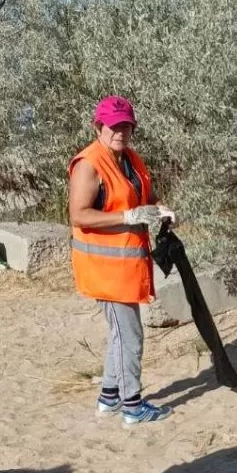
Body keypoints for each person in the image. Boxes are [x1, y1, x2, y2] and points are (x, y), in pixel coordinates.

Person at [68, 95, 175, 426]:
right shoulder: (89, 164)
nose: (121, 131)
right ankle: (132, 406)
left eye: (126, 125)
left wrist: (159, 209)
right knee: (130, 337)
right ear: (98, 126)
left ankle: (109, 398)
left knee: (120, 335)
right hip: (106, 271)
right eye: (114, 126)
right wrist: (129, 216)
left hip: (128, 267)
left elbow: (144, 195)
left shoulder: (129, 158)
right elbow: (79, 215)